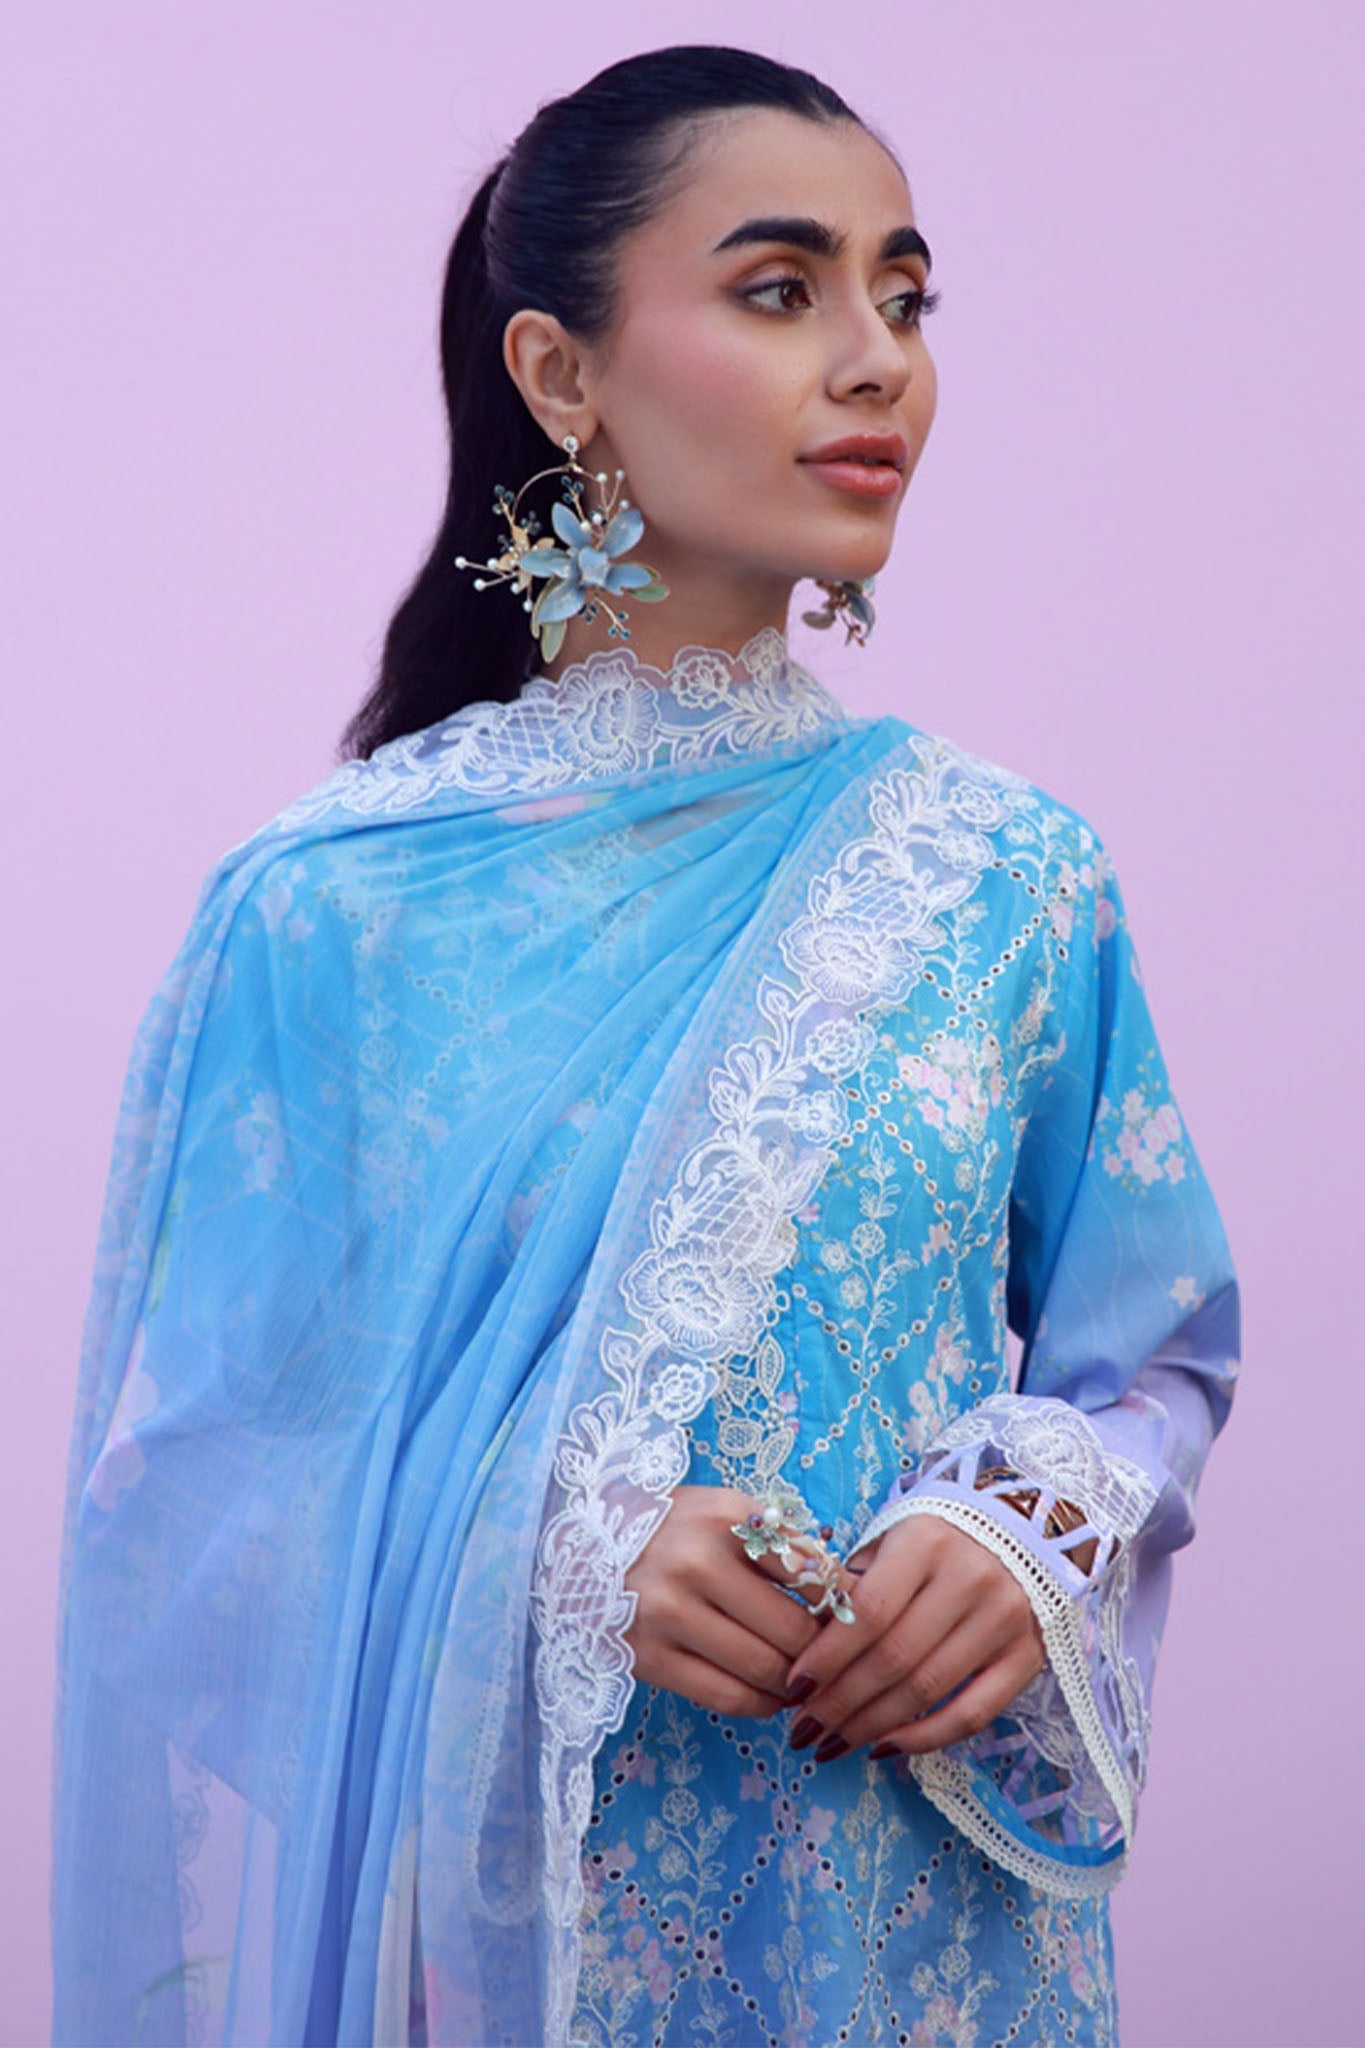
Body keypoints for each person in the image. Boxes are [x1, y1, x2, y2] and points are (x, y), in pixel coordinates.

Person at [50, 43, 1240, 2048]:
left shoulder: (1003, 878)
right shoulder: (334, 909)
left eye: (904, 297)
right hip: (522, 1943)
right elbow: (183, 1506)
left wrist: (1020, 1526)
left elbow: (1153, 1363)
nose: (874, 361)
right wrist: (555, 1542)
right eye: (779, 290)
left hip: (912, 1933)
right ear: (559, 374)